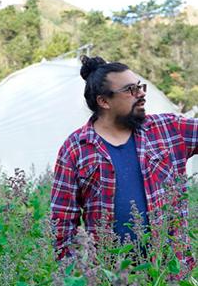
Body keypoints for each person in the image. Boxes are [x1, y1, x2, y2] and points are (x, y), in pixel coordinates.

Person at [51, 55, 198, 263]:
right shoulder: (75, 148)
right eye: (131, 90)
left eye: (140, 86)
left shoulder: (168, 128)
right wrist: (79, 280)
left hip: (168, 275)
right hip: (109, 282)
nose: (142, 94)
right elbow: (62, 225)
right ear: (103, 101)